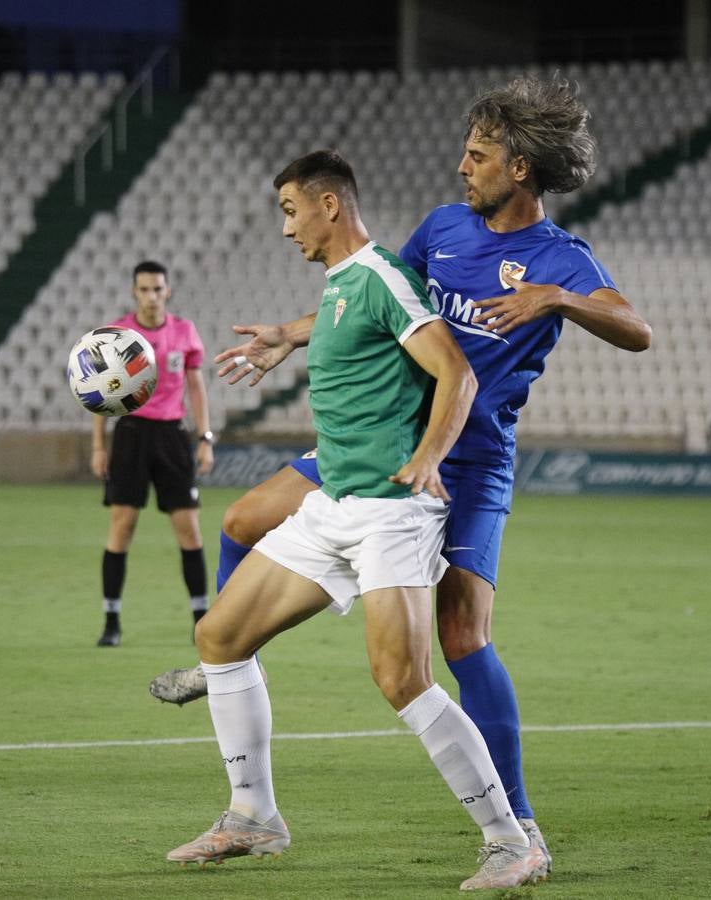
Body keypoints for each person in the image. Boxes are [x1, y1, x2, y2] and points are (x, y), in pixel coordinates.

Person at [153, 75, 653, 878]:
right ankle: (226, 672)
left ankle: (515, 821)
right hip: (384, 444)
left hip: (467, 460)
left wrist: (559, 299)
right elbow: (383, 300)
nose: (463, 166)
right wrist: (289, 333)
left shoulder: (559, 258)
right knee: (244, 521)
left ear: (520, 168)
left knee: (460, 639)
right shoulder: (445, 229)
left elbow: (636, 328)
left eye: (479, 155)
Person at [166, 150, 548, 891]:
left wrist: (432, 455)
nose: (285, 229)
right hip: (334, 507)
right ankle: (253, 816)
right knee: (219, 636)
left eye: (289, 210)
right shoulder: (345, 285)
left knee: (402, 678)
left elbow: (457, 371)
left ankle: (511, 840)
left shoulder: (380, 278)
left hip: (388, 515)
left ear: (329, 206)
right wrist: (286, 334)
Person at [91, 260, 214, 647]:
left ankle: (201, 621)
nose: (151, 296)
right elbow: (100, 394)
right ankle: (111, 621)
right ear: (134, 292)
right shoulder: (119, 335)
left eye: (157, 289)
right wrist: (98, 445)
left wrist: (205, 436)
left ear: (168, 291)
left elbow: (196, 388)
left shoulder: (184, 333)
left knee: (189, 530)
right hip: (130, 433)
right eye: (144, 289)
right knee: (122, 527)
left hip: (173, 436)